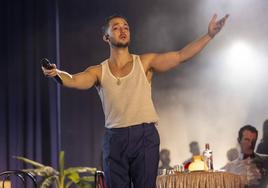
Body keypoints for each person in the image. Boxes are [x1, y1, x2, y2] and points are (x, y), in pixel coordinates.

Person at [42, 13, 228, 188]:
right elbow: (74, 80)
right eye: (116, 27)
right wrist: (56, 73)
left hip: (145, 136)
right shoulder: (99, 71)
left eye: (126, 27)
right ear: (106, 37)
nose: (123, 30)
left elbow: (180, 56)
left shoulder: (145, 62)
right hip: (115, 138)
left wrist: (209, 35)